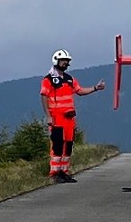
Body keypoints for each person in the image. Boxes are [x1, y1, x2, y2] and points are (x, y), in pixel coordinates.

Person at [40, 49, 105, 183]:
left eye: (67, 61)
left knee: (68, 145)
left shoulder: (69, 79)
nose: (65, 63)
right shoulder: (48, 80)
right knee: (57, 145)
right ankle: (54, 173)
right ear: (56, 61)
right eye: (63, 61)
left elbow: (79, 91)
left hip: (69, 118)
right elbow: (44, 96)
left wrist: (95, 88)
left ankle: (64, 171)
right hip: (57, 117)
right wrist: (48, 116)